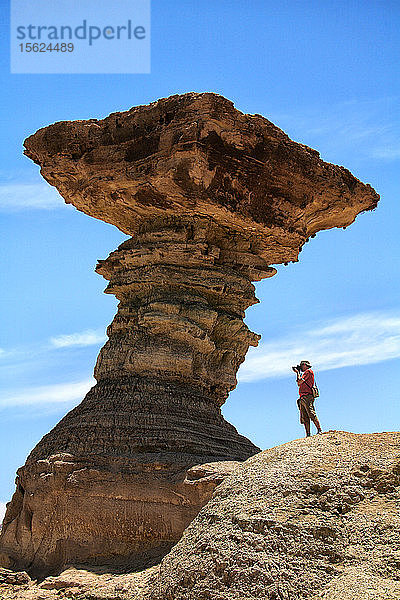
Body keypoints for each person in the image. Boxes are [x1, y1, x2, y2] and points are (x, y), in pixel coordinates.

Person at [294, 360, 322, 437]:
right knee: (305, 416)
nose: (301, 367)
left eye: (302, 365)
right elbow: (299, 383)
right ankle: (308, 434)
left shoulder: (308, 372)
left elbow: (299, 382)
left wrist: (297, 373)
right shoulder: (305, 373)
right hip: (303, 396)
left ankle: (319, 429)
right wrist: (298, 373)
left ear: (305, 365)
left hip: (307, 396)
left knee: (311, 413)